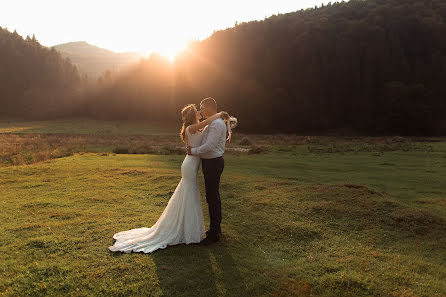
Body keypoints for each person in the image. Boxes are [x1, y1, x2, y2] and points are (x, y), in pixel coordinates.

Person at [108, 103, 227, 253]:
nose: (200, 112)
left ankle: (191, 229)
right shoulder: (192, 128)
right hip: (190, 165)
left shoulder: (195, 128)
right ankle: (189, 231)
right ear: (192, 115)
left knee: (189, 194)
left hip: (193, 163)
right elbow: (207, 122)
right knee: (189, 194)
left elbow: (206, 131)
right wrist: (222, 114)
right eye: (197, 110)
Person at [187, 97, 228, 245]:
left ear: (209, 107)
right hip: (209, 163)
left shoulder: (216, 124)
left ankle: (215, 233)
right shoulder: (212, 122)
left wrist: (194, 151)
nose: (201, 110)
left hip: (213, 163)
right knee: (211, 197)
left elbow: (209, 146)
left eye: (202, 107)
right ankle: (214, 229)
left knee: (213, 197)